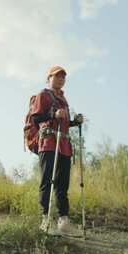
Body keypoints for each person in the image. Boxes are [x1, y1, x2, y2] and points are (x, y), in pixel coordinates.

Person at [31, 66, 83, 236]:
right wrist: (54, 114)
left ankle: (63, 221)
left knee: (62, 184)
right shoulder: (43, 95)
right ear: (49, 78)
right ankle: (45, 220)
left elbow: (64, 123)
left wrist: (75, 122)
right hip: (49, 143)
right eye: (57, 76)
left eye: (63, 77)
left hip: (64, 146)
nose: (61, 79)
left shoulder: (63, 99)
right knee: (47, 181)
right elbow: (36, 117)